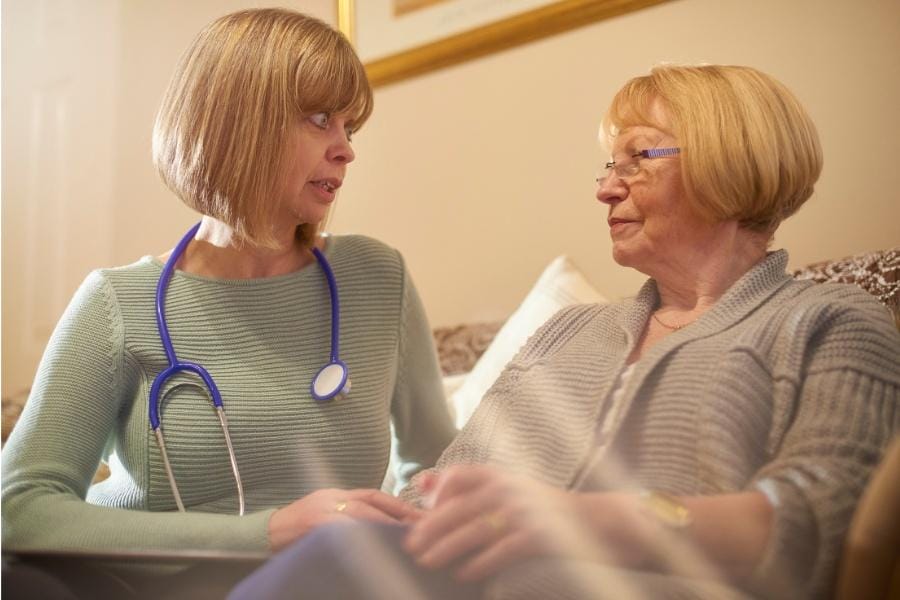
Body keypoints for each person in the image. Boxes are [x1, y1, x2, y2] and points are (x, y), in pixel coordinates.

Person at [228, 65, 900, 600]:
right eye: (608, 165)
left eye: (637, 158)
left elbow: (829, 524)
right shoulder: (570, 331)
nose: (607, 189)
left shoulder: (833, 323)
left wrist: (588, 521)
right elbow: (447, 487)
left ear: (732, 160)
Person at [1, 7, 455, 597]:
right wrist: (270, 532)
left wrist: (406, 530)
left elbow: (437, 467)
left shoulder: (378, 278)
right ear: (238, 123)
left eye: (350, 128)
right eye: (321, 120)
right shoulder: (118, 302)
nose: (346, 150)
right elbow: (19, 504)